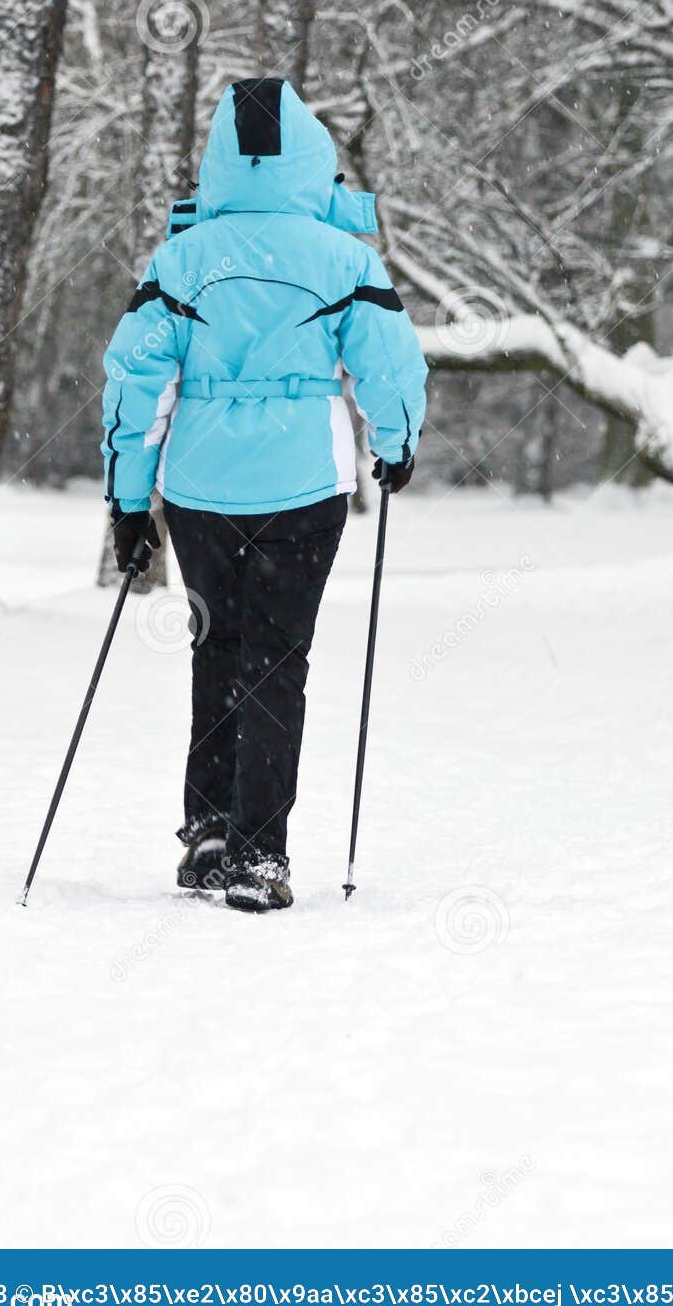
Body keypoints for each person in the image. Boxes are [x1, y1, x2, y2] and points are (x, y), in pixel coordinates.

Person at [101, 78, 428, 912]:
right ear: (311, 160)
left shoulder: (181, 260)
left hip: (202, 490)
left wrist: (130, 504)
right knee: (276, 662)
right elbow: (388, 363)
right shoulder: (343, 257)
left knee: (215, 650)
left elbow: (137, 386)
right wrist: (395, 445)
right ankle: (257, 855)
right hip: (302, 486)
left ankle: (207, 832)